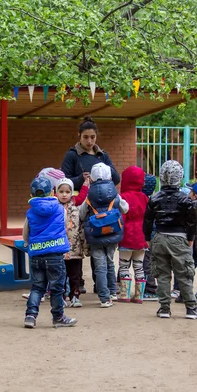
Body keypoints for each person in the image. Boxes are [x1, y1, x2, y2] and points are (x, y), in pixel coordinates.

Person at [61, 116, 121, 293]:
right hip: (79, 208)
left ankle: (100, 283)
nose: (89, 141)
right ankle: (77, 283)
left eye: (92, 137)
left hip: (100, 209)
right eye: (85, 137)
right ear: (79, 136)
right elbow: (63, 179)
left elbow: (116, 178)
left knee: (99, 244)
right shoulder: (72, 155)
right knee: (77, 246)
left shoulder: (102, 155)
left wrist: (103, 174)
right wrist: (81, 179)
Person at [143, 160, 197, 320]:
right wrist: (190, 238)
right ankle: (191, 308)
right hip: (179, 238)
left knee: (162, 275)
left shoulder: (154, 198)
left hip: (160, 237)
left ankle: (164, 308)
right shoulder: (185, 199)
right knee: (184, 274)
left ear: (161, 177)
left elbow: (147, 221)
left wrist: (148, 238)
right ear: (180, 177)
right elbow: (191, 222)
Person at [23, 177, 77, 328]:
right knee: (57, 288)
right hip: (55, 254)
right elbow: (65, 227)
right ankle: (58, 317)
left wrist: (31, 243)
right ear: (52, 192)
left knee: (37, 287)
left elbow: (25, 234)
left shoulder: (30, 212)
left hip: (36, 255)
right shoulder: (60, 209)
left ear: (32, 194)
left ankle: (30, 316)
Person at [79, 163, 128, 308]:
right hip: (113, 233)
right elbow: (125, 208)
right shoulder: (114, 195)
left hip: (95, 236)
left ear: (91, 179)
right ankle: (113, 291)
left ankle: (104, 298)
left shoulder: (89, 197)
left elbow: (81, 214)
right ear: (110, 177)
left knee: (99, 266)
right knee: (110, 262)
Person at [117, 166, 149, 304]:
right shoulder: (144, 197)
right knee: (139, 266)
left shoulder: (123, 197)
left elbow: (121, 216)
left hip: (127, 234)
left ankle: (124, 294)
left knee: (124, 265)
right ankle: (139, 296)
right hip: (141, 235)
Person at [56, 178, 89, 308]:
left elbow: (81, 229)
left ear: (71, 193)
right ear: (56, 192)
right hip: (59, 249)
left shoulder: (76, 210)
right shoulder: (54, 209)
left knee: (75, 274)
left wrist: (84, 246)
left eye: (67, 191)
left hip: (74, 248)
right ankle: (62, 297)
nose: (64, 194)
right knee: (60, 275)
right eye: (61, 191)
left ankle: (75, 296)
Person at [141, 174, 159, 301]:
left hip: (145, 236)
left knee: (146, 262)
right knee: (150, 262)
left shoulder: (143, 200)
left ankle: (150, 288)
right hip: (154, 236)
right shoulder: (154, 200)